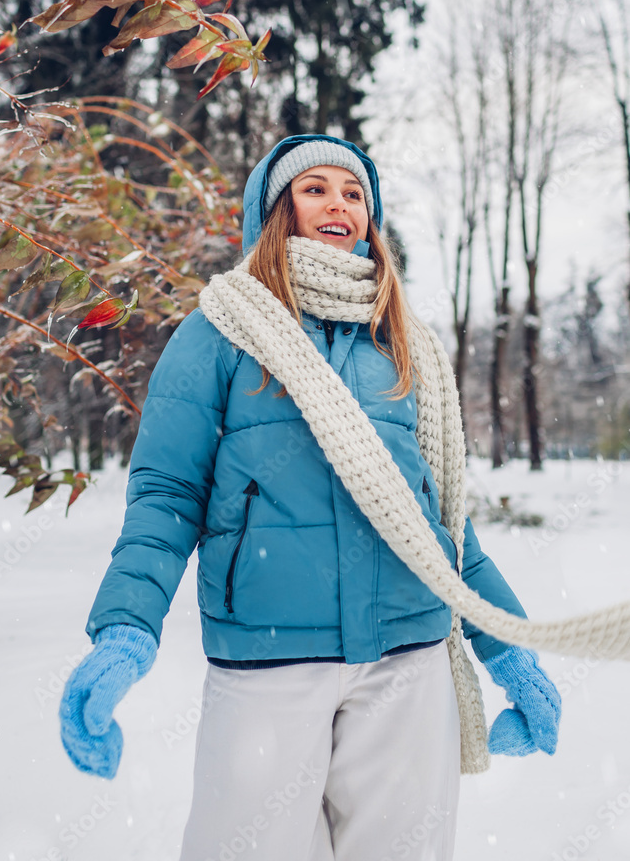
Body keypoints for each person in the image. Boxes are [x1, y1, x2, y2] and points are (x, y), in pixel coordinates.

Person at [59, 134, 561, 861]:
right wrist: (126, 630)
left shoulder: (401, 344)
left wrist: (509, 649)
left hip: (406, 662)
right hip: (267, 663)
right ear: (277, 210)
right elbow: (166, 499)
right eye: (315, 188)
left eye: (353, 193)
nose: (338, 204)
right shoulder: (217, 333)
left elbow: (441, 520)